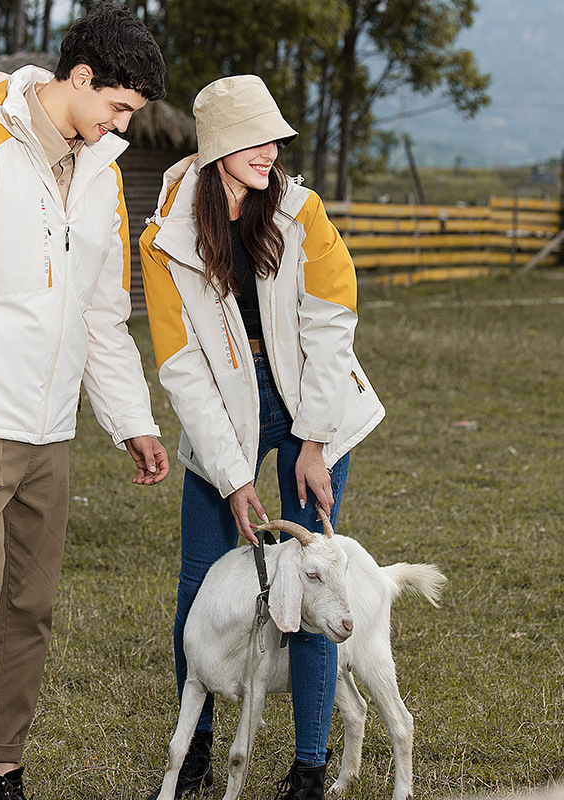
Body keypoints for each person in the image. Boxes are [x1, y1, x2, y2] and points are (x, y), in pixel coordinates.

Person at [0, 5, 169, 799]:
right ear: (80, 77)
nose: (120, 123)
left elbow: (102, 315)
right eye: (117, 105)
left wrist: (133, 423)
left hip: (51, 434)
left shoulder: (104, 174)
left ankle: (5, 769)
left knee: (30, 607)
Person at [140, 75, 385, 800]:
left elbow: (332, 323)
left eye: (276, 137)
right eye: (253, 139)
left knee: (311, 573)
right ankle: (197, 751)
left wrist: (314, 439)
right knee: (200, 576)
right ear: (216, 148)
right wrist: (234, 476)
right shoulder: (168, 239)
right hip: (225, 413)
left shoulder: (304, 212)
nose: (271, 151)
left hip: (315, 401)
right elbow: (182, 368)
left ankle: (310, 764)